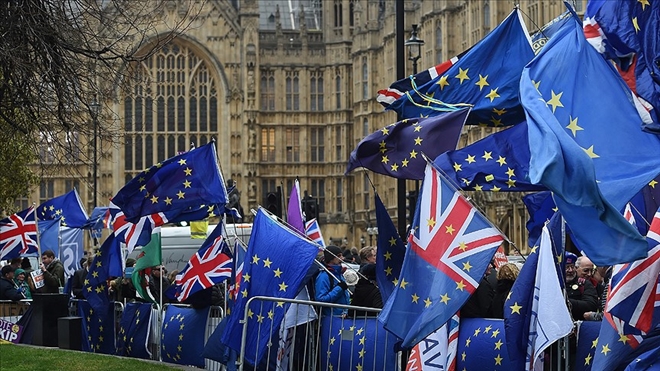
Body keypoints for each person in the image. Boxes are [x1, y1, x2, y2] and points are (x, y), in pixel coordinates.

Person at [314, 245, 350, 316]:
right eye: (339, 256)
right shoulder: (324, 276)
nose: (342, 258)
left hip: (341, 317)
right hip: (331, 319)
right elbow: (320, 299)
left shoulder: (338, 274)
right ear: (331, 258)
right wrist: (339, 289)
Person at [565, 252, 598, 321]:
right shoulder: (553, 285)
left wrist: (566, 302)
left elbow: (591, 305)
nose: (570, 270)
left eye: (572, 267)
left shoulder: (584, 284)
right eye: (567, 267)